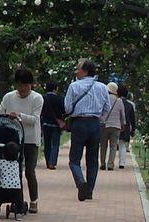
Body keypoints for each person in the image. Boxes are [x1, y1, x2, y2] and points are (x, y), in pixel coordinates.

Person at [0, 67, 43, 213]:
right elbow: (0, 109)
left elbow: (34, 119)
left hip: (30, 139)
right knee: (14, 170)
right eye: (19, 85)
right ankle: (17, 199)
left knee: (29, 171)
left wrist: (19, 115)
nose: (21, 89)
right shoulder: (9, 97)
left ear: (30, 85)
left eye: (24, 85)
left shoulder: (37, 98)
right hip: (13, 139)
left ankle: (34, 200)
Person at [64, 58, 110, 201]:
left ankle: (80, 181)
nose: (77, 71)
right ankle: (89, 190)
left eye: (78, 69)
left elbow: (67, 107)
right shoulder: (102, 87)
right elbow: (107, 108)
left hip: (79, 124)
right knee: (93, 160)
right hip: (95, 124)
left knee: (74, 159)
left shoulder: (74, 86)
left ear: (84, 71)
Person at [99, 81, 128, 171]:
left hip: (104, 125)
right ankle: (110, 164)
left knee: (103, 145)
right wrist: (123, 124)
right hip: (116, 126)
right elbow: (122, 114)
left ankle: (102, 163)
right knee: (113, 146)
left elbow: (99, 112)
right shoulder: (118, 101)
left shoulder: (103, 99)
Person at [0, 140, 24, 220]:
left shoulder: (1, 162)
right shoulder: (17, 164)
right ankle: (19, 214)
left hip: (4, 186)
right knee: (18, 201)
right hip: (16, 187)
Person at [38, 81, 65, 170]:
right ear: (55, 88)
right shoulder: (59, 98)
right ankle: (52, 162)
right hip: (56, 123)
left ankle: (47, 161)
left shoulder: (42, 98)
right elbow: (64, 110)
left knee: (47, 143)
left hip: (45, 123)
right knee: (55, 144)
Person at [116, 84, 136, 169]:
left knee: (113, 145)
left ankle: (110, 162)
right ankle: (122, 163)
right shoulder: (130, 105)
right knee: (122, 145)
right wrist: (133, 129)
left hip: (115, 125)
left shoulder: (115, 102)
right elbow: (132, 119)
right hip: (125, 127)